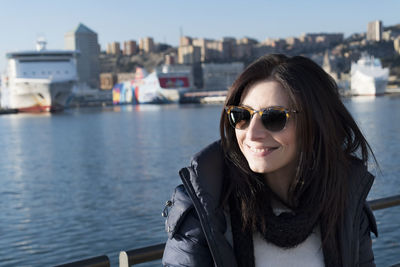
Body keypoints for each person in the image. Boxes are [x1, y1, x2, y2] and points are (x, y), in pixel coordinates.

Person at [162, 54, 378, 267]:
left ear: (315, 125)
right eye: (241, 116)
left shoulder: (345, 198)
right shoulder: (204, 204)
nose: (252, 133)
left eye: (274, 117)